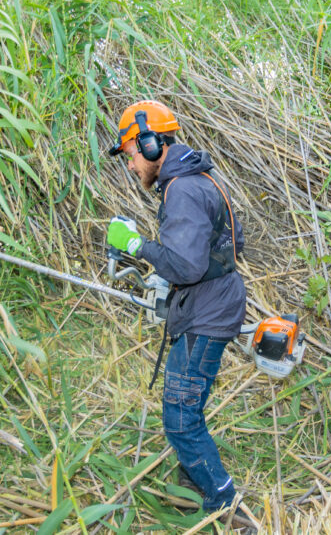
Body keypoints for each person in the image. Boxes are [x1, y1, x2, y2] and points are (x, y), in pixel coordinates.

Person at [105, 99, 246, 513]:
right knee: (188, 401)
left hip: (208, 314)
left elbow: (186, 264)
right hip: (212, 304)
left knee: (180, 419)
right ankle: (193, 476)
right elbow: (233, 242)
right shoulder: (198, 177)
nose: (131, 167)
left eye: (130, 155)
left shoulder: (181, 188)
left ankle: (222, 503)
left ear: (150, 145)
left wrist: (136, 245)